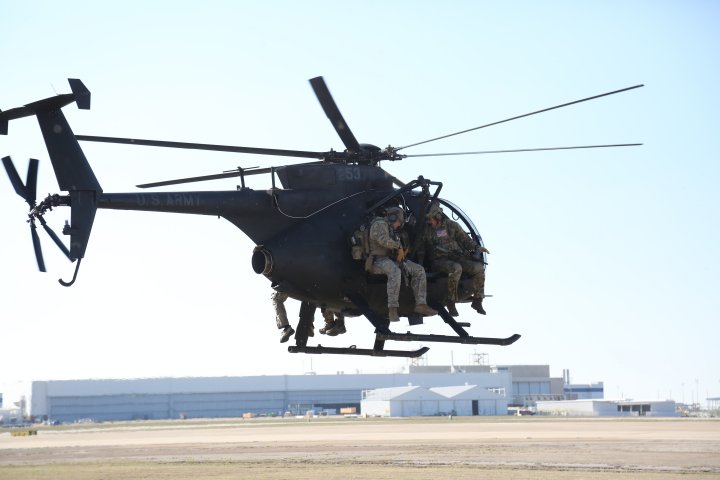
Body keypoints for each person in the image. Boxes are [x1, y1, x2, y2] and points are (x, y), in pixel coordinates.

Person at [366, 206, 437, 322]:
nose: (399, 225)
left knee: (418, 270)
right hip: (378, 260)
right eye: (399, 222)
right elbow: (383, 240)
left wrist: (402, 251)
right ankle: (392, 309)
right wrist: (397, 246)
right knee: (395, 271)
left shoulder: (391, 228)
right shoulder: (379, 224)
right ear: (392, 217)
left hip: (391, 259)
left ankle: (421, 305)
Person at [420, 202, 489, 316]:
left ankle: (477, 301)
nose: (429, 222)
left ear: (437, 216)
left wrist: (477, 248)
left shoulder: (451, 225)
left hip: (457, 256)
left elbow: (465, 239)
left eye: (430, 219)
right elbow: (420, 247)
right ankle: (451, 301)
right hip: (439, 261)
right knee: (456, 269)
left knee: (478, 268)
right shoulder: (426, 230)